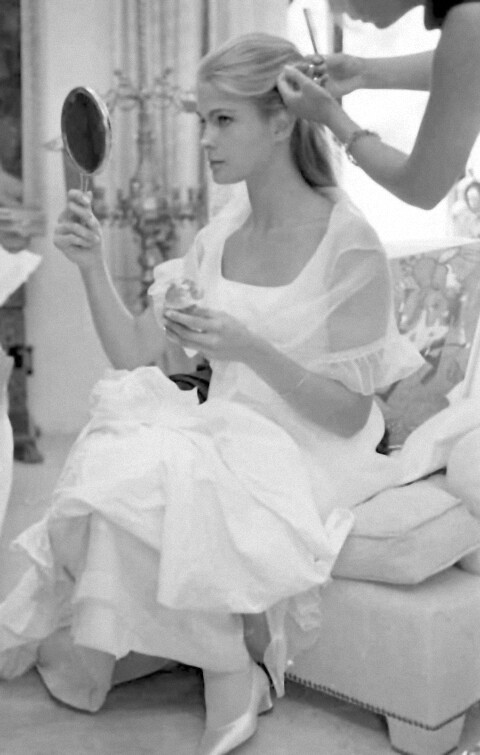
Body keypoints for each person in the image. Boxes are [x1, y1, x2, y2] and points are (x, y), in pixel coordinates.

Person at [0, 33, 423, 755]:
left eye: (223, 119)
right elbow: (134, 352)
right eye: (202, 119)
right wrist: (90, 264)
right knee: (117, 452)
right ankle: (228, 661)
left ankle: (221, 667)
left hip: (314, 446)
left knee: (169, 472)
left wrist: (249, 348)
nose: (204, 139)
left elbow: (352, 410)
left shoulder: (348, 242)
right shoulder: (221, 235)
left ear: (282, 120)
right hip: (227, 428)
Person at [278, 0, 480, 209]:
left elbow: (423, 186)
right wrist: (362, 72)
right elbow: (463, 65)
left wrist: (330, 114)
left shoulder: (470, 18)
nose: (337, 9)